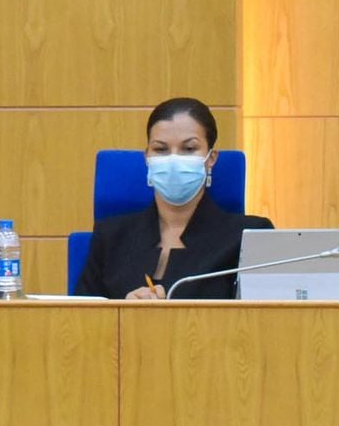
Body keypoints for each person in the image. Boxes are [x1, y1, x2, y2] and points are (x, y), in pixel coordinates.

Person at [76, 98, 275, 300]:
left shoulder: (250, 236)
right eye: (161, 149)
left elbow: (262, 317)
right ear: (147, 158)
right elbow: (80, 315)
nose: (173, 160)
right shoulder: (110, 237)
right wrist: (124, 312)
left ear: (211, 159)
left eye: (189, 149)